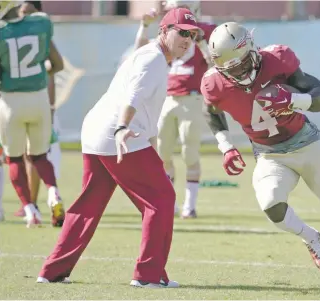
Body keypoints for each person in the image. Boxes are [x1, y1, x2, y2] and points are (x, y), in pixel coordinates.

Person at [200, 22, 320, 297]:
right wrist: (225, 145)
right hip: (269, 154)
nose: (239, 73)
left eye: (242, 64)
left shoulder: (277, 60)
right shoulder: (214, 83)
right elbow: (211, 111)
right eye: (231, 69)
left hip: (306, 144)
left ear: (251, 50)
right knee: (270, 204)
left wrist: (294, 100)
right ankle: (310, 237)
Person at [36, 8, 202, 288]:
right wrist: (122, 127)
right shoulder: (154, 59)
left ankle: (51, 271)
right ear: (165, 31)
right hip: (119, 136)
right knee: (161, 199)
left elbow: (137, 58)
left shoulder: (150, 52)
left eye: (193, 34)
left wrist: (144, 26)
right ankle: (148, 276)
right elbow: (134, 95)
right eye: (182, 32)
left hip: (96, 133)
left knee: (88, 206)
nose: (188, 38)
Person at [134, 0, 216, 218]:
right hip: (167, 98)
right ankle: (170, 202)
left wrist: (202, 43)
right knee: (162, 154)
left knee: (190, 153)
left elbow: (217, 66)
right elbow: (140, 53)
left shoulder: (207, 31)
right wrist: (144, 26)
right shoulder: (169, 29)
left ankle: (190, 204)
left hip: (192, 98)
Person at [0, 0, 65, 227]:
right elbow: (54, 62)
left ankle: (30, 210)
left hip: (11, 101)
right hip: (39, 98)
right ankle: (53, 192)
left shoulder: (0, 32)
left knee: (14, 158)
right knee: (40, 156)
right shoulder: (41, 22)